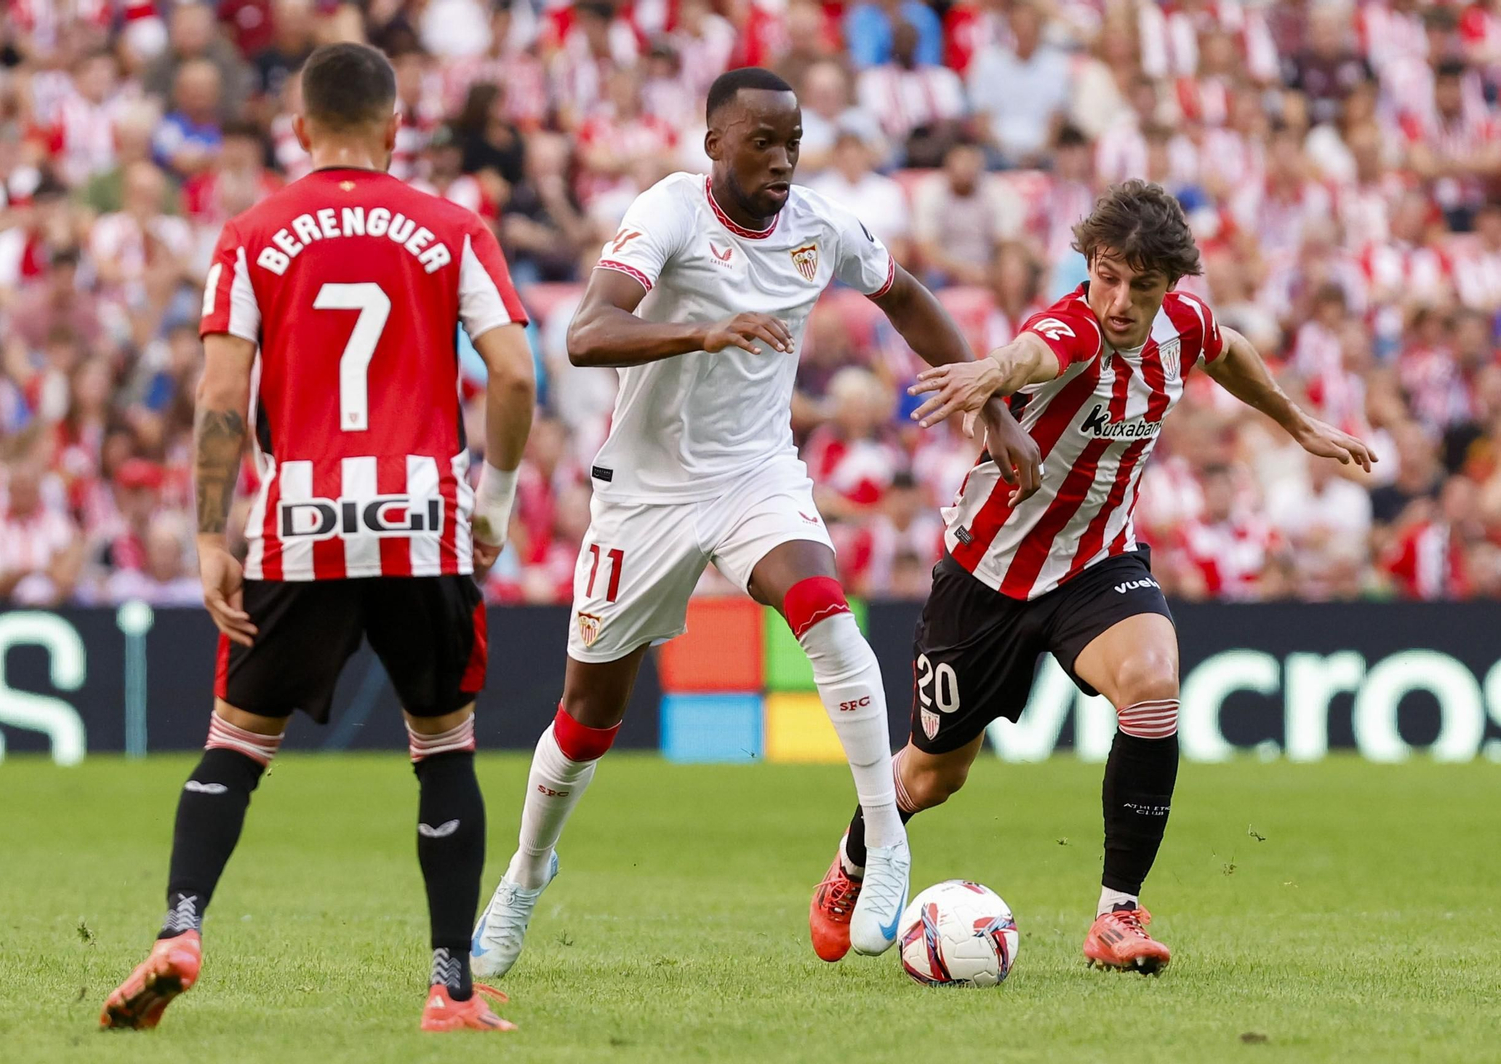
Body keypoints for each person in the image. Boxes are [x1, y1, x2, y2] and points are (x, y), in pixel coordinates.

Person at [470, 67, 1041, 976]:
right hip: (646, 493)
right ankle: (526, 876)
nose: (782, 161)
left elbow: (903, 297)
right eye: (761, 142)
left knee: (822, 603)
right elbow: (585, 333)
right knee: (587, 714)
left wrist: (992, 405)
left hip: (753, 476)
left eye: (793, 142)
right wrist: (700, 330)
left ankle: (885, 842)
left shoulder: (820, 225)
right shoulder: (668, 213)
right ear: (714, 145)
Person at [810, 179, 1376, 974]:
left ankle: (1117, 915)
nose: (1118, 300)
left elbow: (1229, 348)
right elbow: (1033, 352)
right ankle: (852, 864)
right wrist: (991, 372)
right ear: (1090, 265)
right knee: (935, 775)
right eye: (1107, 276)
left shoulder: (1181, 325)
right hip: (988, 575)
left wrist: (1295, 420)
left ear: (1170, 286)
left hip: (1097, 563)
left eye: (1140, 286)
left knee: (1152, 683)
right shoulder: (1070, 326)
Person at [99, 42, 536, 1035]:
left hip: (299, 518)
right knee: (441, 744)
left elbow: (219, 395)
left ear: (300, 130)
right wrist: (496, 499)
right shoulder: (450, 225)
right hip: (421, 517)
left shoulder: (254, 232)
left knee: (238, 743)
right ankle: (449, 984)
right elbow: (512, 374)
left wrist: (212, 532)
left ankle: (179, 927)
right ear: (394, 126)